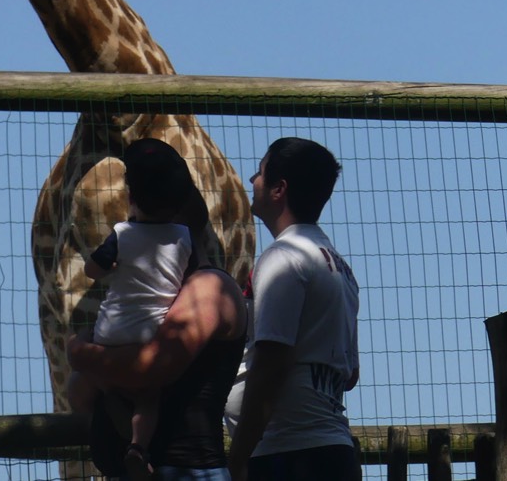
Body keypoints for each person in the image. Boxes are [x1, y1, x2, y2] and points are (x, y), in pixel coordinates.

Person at [67, 164, 248, 481]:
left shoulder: (209, 290)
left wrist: (83, 354)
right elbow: (80, 392)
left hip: (186, 471)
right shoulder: (148, 302)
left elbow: (148, 368)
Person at [226, 137, 361, 481]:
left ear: (278, 190)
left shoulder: (283, 259)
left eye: (259, 173)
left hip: (288, 456)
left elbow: (272, 361)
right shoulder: (340, 268)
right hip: (332, 449)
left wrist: (239, 455)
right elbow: (350, 374)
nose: (251, 181)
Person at [66, 138, 197, 479]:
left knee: (85, 367)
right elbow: (189, 273)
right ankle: (138, 444)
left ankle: (110, 396)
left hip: (111, 330)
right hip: (152, 333)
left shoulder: (121, 234)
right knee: (148, 397)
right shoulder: (184, 236)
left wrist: (105, 268)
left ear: (131, 198)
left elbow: (92, 269)